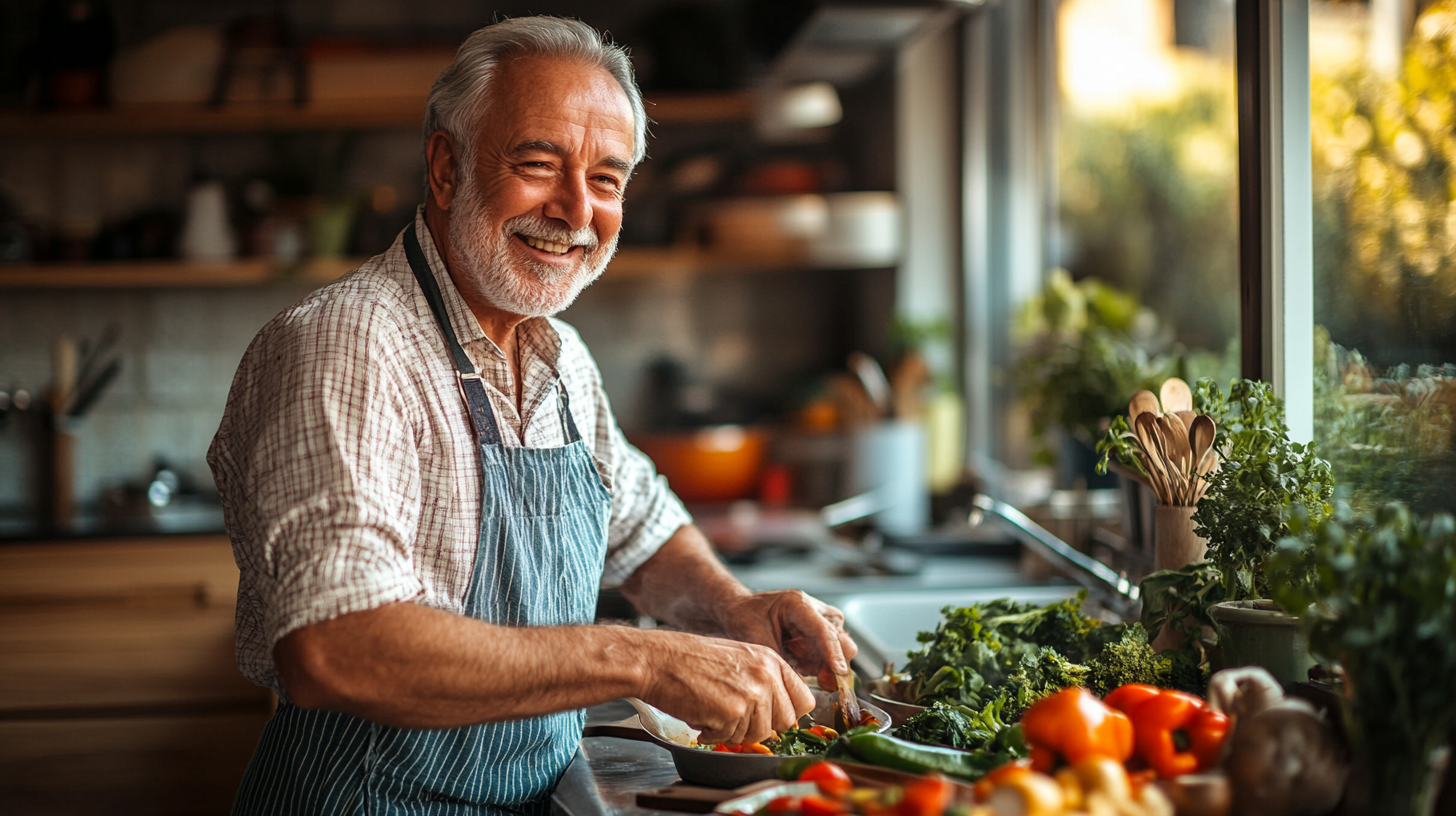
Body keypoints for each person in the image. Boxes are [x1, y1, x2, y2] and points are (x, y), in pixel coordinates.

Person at [207, 16, 858, 816]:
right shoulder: (349, 345)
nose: (575, 210)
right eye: (539, 163)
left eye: (608, 179)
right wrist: (644, 659)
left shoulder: (561, 358)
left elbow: (642, 530)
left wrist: (735, 609)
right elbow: (336, 649)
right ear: (447, 169)